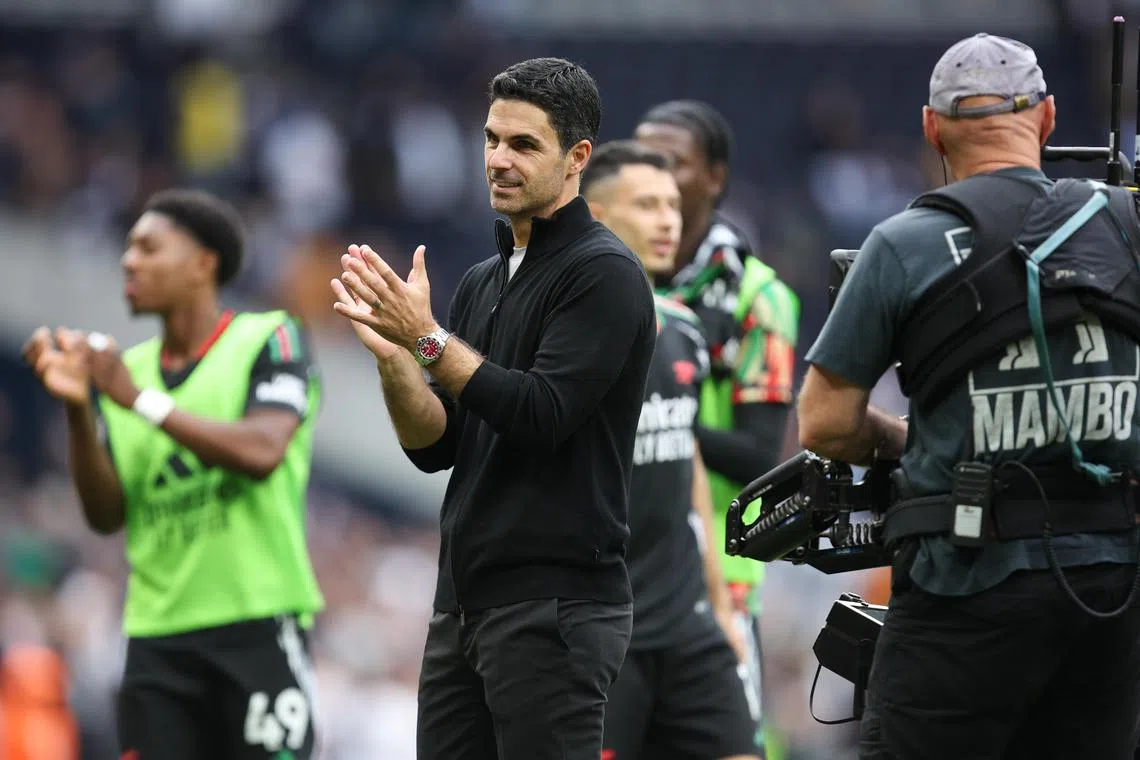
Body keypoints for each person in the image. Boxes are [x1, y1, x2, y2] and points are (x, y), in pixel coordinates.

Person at [798, 33, 1140, 759]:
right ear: (1047, 118)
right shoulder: (1125, 223)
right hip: (1111, 586)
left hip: (966, 584)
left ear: (931, 128)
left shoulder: (903, 244)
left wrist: (901, 441)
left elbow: (824, 424)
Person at [331, 57, 657, 759]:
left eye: (523, 145)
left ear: (577, 159)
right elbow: (436, 447)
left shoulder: (605, 274)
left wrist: (424, 338)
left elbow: (541, 413)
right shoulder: (482, 281)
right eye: (491, 139)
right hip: (464, 605)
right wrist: (397, 362)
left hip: (557, 607)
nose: (498, 160)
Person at [22, 188, 325, 760]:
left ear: (202, 264)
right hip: (156, 638)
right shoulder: (124, 372)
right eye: (128, 248)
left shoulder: (268, 336)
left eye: (147, 247)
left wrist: (138, 401)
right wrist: (79, 409)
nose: (127, 261)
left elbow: (263, 451)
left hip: (256, 626)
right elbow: (106, 515)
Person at [582, 139, 763, 760]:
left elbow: (686, 464)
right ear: (597, 216)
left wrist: (720, 607)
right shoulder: (564, 338)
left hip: (689, 624)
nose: (669, 220)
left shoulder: (682, 327)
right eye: (647, 204)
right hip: (603, 632)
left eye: (671, 205)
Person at [634, 98, 800, 745]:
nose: (655, 175)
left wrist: (647, 421)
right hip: (615, 568)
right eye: (645, 160)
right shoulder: (612, 285)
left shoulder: (760, 299)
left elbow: (762, 457)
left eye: (673, 162)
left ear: (715, 179)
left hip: (715, 576)